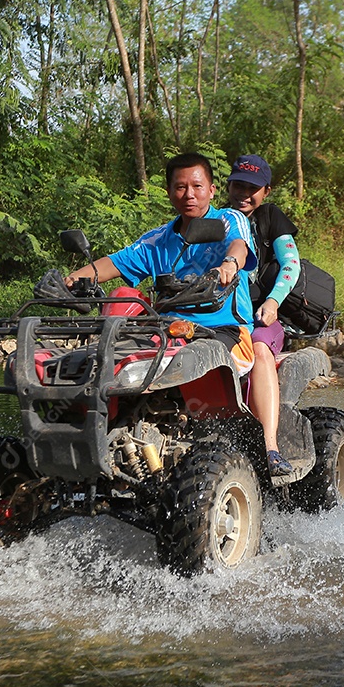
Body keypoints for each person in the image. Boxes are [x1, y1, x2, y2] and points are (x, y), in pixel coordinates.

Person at [64, 153, 296, 478]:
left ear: (212, 190)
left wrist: (229, 264)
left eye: (197, 186)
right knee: (98, 359)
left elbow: (239, 246)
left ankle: (270, 448)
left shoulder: (229, 220)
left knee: (212, 358)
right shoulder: (159, 239)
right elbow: (117, 261)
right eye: (180, 187)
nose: (189, 194)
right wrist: (71, 279)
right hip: (164, 331)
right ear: (169, 191)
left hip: (222, 331)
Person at [226, 154, 301, 477]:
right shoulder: (216, 218)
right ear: (227, 186)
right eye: (239, 184)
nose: (245, 193)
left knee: (258, 348)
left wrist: (272, 302)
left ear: (266, 191)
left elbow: (291, 264)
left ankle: (271, 447)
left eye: (252, 188)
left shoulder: (271, 218)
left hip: (260, 318)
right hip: (218, 315)